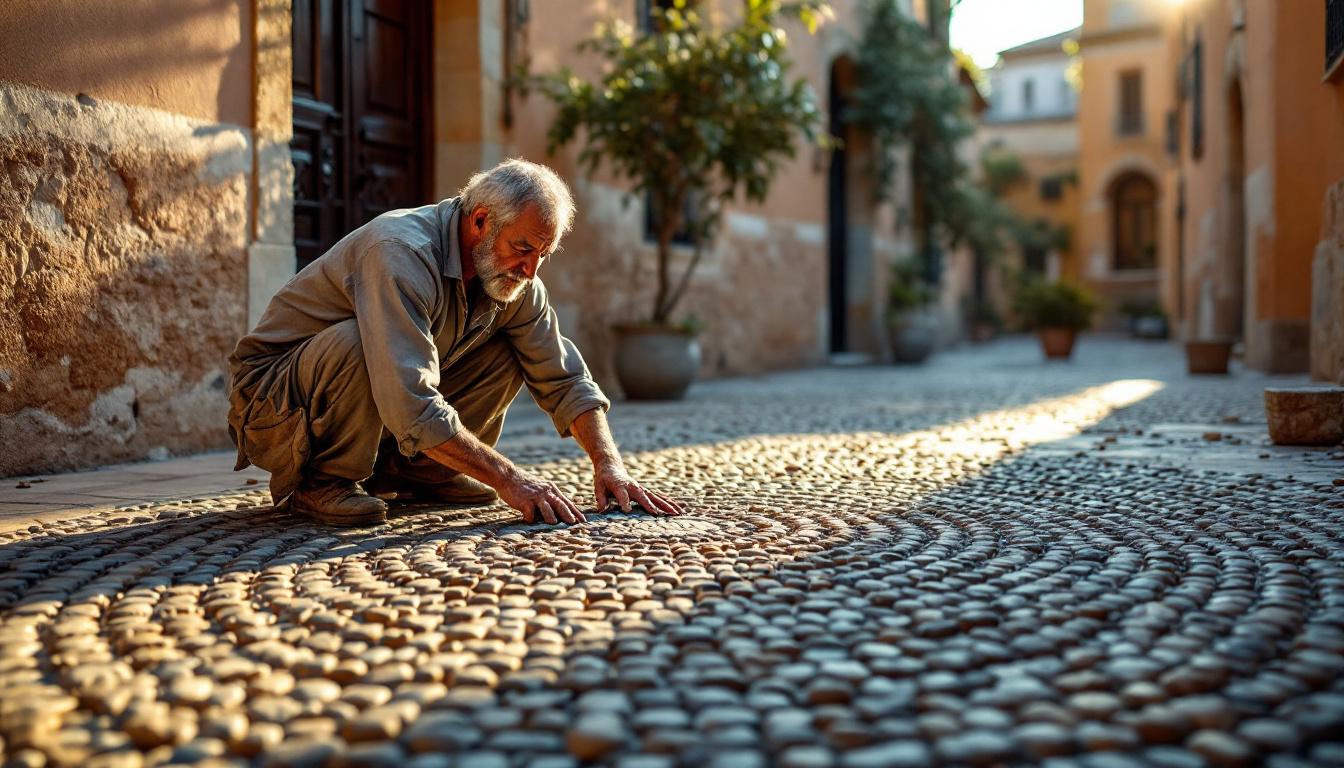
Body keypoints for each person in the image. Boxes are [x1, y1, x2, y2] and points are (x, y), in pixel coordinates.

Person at [227, 159, 682, 526]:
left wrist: (609, 464)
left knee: (510, 348)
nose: (531, 270)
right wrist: (510, 479)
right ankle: (322, 480)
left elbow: (564, 378)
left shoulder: (513, 281)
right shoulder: (401, 252)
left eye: (543, 255)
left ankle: (423, 471)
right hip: (273, 403)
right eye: (523, 249)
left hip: (370, 407)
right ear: (481, 221)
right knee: (356, 341)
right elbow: (410, 402)